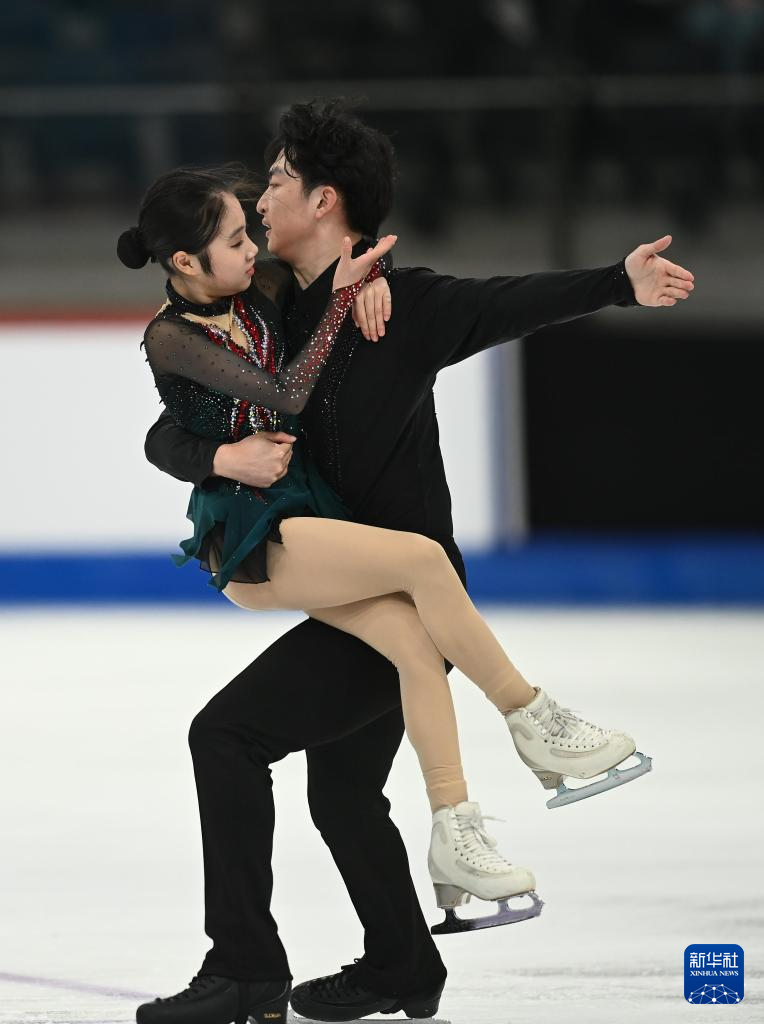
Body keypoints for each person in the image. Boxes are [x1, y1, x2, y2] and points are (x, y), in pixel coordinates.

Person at [136, 100, 693, 1024]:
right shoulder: (271, 300)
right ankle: (402, 966)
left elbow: (507, 301)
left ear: (323, 199)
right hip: (339, 578)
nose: (260, 199)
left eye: (276, 181)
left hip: (417, 600)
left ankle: (245, 969)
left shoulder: (410, 304)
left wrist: (618, 283)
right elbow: (170, 420)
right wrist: (218, 456)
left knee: (227, 738)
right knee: (343, 792)